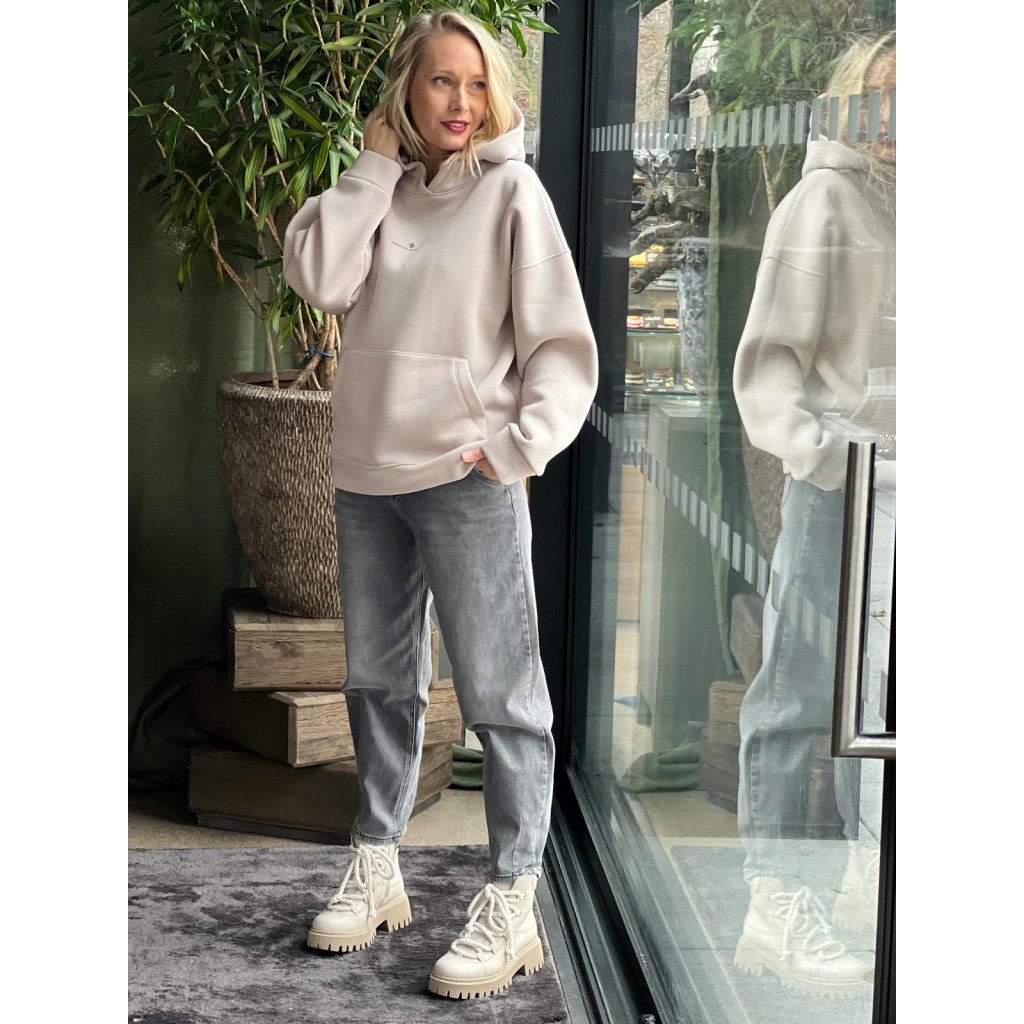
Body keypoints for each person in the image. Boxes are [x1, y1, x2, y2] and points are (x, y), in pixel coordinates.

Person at [281, 10, 598, 1000]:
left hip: (468, 474)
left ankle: (513, 896)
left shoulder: (512, 191)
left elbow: (559, 343)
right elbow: (319, 278)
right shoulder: (374, 190)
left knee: (502, 697)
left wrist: (515, 448)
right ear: (406, 92)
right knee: (377, 681)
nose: (461, 102)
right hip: (366, 472)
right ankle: (378, 861)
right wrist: (372, 171)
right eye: (440, 82)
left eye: (476, 82)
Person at [730, 32, 896, 998]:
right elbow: (769, 364)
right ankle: (774, 900)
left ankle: (868, 877)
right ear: (848, 103)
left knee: (889, 695)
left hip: (920, 489)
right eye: (880, 96)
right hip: (842, 485)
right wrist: (826, 457)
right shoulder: (822, 202)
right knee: (799, 687)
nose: (896, 118)